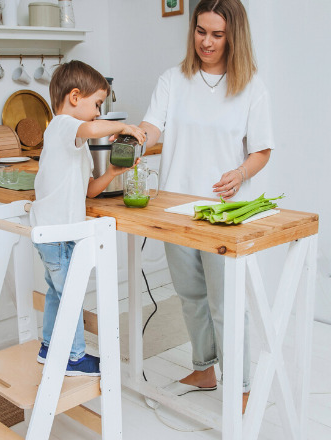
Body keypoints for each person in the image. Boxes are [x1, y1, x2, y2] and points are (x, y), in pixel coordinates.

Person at [140, 0, 274, 412]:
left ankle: (244, 383)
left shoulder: (251, 85)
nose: (207, 41)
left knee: (226, 302)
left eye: (217, 34)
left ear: (234, 34)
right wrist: (131, 138)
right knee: (190, 294)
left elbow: (262, 150)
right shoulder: (172, 80)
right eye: (201, 31)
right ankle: (204, 369)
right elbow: (151, 126)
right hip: (175, 206)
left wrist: (240, 172)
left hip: (223, 213)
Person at [30, 60, 146, 376]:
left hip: (56, 233)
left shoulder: (74, 143)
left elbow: (90, 192)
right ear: (74, 96)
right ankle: (75, 358)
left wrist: (112, 172)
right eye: (97, 104)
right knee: (72, 293)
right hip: (56, 234)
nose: (98, 112)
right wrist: (123, 126)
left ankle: (49, 347)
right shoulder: (62, 125)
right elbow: (94, 128)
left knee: (58, 292)